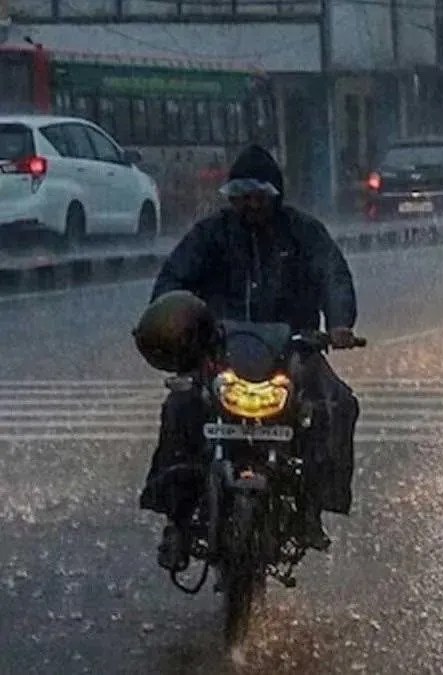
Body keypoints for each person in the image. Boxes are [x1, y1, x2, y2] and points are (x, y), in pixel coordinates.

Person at [138, 144, 362, 572]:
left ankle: (314, 505)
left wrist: (339, 324)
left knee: (337, 405)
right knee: (181, 407)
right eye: (242, 196)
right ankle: (176, 520)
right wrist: (167, 316)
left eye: (259, 195)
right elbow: (174, 279)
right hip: (219, 352)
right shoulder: (210, 235)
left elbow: (333, 275)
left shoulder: (304, 232)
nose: (250, 204)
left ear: (275, 194)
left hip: (292, 351)